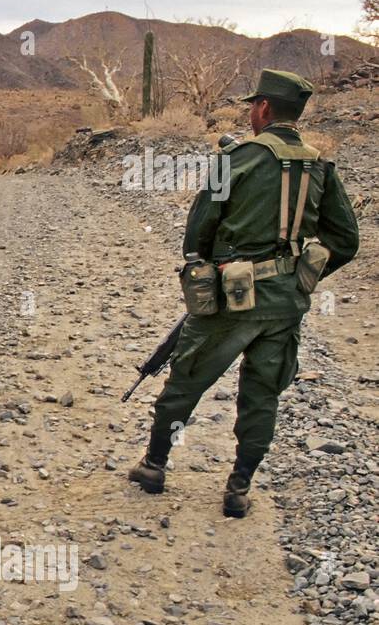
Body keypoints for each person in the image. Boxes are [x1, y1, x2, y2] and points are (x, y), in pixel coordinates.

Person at [128, 69, 359, 517]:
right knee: (262, 394)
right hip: (286, 303)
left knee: (184, 385)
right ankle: (238, 490)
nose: (251, 112)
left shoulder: (235, 159)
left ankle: (154, 466)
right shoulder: (320, 165)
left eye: (254, 105)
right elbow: (345, 241)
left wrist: (212, 270)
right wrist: (301, 274)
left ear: (265, 109)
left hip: (233, 300)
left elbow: (196, 236)